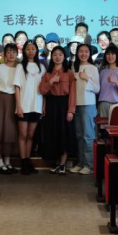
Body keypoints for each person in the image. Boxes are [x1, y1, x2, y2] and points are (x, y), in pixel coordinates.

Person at [38, 45, 76, 175]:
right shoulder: (47, 74)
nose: (57, 57)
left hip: (64, 104)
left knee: (64, 134)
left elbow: (73, 93)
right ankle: (56, 163)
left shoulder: (69, 73)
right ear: (51, 56)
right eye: (55, 54)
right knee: (53, 134)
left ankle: (62, 164)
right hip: (51, 105)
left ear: (64, 57)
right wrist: (52, 81)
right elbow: (42, 90)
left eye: (60, 54)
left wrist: (71, 110)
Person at [0, 43, 22, 173]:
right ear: (4, 54)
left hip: (14, 100)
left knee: (10, 131)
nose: (11, 54)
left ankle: (7, 161)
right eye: (8, 52)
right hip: (0, 99)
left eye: (13, 52)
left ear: (17, 54)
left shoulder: (20, 68)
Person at [16, 40, 45, 175]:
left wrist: (44, 105)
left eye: (33, 49)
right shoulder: (20, 67)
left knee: (30, 135)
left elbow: (44, 88)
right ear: (24, 51)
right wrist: (18, 106)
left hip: (37, 106)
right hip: (23, 106)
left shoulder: (42, 67)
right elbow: (17, 87)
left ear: (37, 50)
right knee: (22, 135)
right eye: (28, 49)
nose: (31, 51)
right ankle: (23, 162)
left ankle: (28, 161)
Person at [71, 44, 99, 174]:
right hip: (76, 104)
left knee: (88, 135)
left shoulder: (93, 68)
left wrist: (87, 78)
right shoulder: (73, 67)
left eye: (86, 51)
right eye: (81, 51)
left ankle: (89, 165)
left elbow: (97, 89)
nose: (83, 54)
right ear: (77, 53)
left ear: (89, 53)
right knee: (79, 135)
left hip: (88, 104)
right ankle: (81, 162)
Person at [98, 45, 118, 118]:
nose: (110, 56)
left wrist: (115, 81)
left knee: (116, 124)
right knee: (103, 124)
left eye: (113, 54)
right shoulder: (102, 72)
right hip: (103, 104)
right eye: (108, 54)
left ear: (117, 55)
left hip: (117, 104)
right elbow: (99, 90)